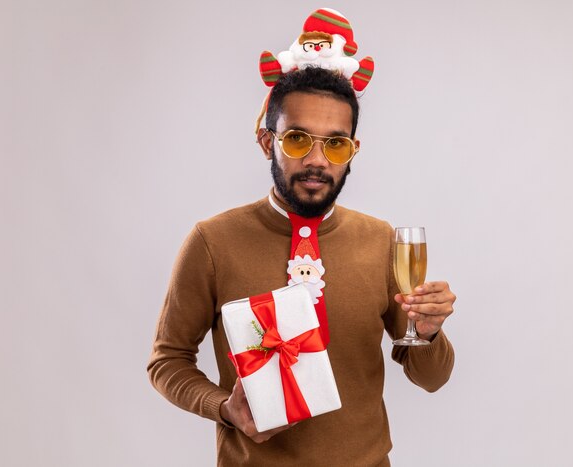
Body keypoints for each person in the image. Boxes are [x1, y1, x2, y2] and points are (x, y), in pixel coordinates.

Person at [147, 65, 456, 466]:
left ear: (353, 150)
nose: (317, 160)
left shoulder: (382, 240)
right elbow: (167, 360)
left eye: (336, 144)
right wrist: (224, 406)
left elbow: (432, 379)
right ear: (265, 141)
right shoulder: (211, 242)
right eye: (297, 139)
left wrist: (429, 334)